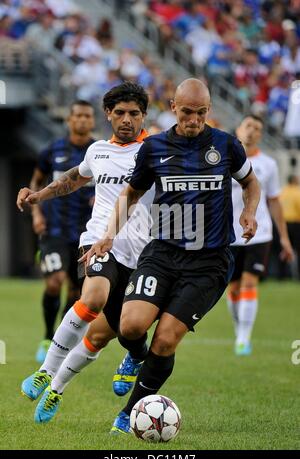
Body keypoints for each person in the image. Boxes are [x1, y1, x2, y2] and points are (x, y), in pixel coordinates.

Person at [81, 78, 261, 434]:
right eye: (187, 112)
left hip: (208, 262)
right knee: (129, 326)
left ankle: (131, 411)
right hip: (161, 253)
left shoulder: (226, 145)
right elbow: (130, 195)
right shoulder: (155, 147)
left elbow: (251, 183)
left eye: (201, 113)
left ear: (208, 110)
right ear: (173, 107)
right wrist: (107, 236)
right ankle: (135, 354)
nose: (194, 120)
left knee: (165, 338)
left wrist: (249, 212)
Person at [17, 82, 153, 423]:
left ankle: (60, 388)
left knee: (107, 335)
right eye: (119, 113)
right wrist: (37, 196)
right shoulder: (97, 151)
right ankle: (46, 374)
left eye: (134, 113)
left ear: (143, 116)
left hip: (144, 254)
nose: (126, 119)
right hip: (98, 241)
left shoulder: (156, 149)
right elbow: (72, 179)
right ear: (107, 115)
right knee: (92, 298)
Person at [28, 100, 96, 363]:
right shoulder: (52, 150)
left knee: (77, 294)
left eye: (87, 116)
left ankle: (58, 337)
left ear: (93, 121)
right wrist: (36, 212)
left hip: (86, 234)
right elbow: (36, 181)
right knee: (54, 281)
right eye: (77, 115)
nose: (81, 120)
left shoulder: (98, 152)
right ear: (69, 120)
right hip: (54, 230)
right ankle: (46, 335)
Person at [227, 115, 294, 356]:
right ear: (238, 129)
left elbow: (274, 201)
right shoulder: (225, 161)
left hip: (260, 233)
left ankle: (244, 338)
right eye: (249, 126)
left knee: (248, 283)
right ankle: (239, 331)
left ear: (261, 135)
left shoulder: (268, 164)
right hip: (229, 235)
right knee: (233, 289)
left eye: (257, 128)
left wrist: (284, 238)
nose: (252, 131)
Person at [279, 175, 300, 279]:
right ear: (295, 181)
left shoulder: (282, 191)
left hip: (282, 223)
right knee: (297, 250)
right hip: (296, 223)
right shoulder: (297, 192)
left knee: (284, 248)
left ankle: (282, 275)